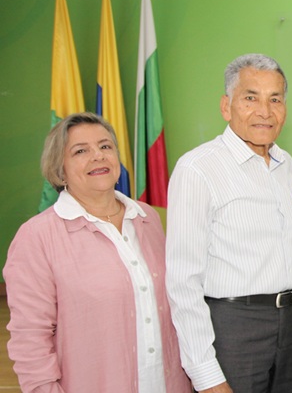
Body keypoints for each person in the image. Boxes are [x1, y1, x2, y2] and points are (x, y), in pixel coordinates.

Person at [3, 112, 190, 392]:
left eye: (105, 146)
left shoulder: (148, 218)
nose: (98, 156)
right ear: (60, 169)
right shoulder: (37, 237)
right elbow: (30, 339)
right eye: (80, 151)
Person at [166, 53, 292, 393]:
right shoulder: (197, 169)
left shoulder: (285, 163)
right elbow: (182, 280)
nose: (265, 111)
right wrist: (205, 373)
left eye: (275, 99)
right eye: (251, 98)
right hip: (234, 328)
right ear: (226, 106)